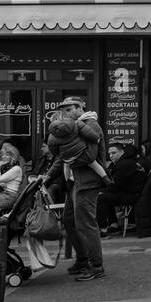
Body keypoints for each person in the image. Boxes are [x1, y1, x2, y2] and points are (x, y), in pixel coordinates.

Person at [43, 98, 109, 281]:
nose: (68, 113)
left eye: (71, 109)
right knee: (69, 220)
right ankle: (83, 259)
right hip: (74, 182)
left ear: (81, 108)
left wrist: (69, 159)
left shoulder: (90, 124)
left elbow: (88, 156)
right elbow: (64, 154)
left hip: (88, 182)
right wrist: (48, 176)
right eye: (65, 110)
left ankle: (96, 266)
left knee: (86, 223)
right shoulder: (71, 126)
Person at [98, 143, 147, 236]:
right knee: (106, 196)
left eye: (114, 153)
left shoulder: (122, 164)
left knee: (101, 198)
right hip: (136, 193)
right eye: (109, 154)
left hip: (132, 195)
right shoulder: (131, 161)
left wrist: (102, 191)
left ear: (121, 152)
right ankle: (114, 225)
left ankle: (103, 229)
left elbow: (116, 186)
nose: (111, 156)